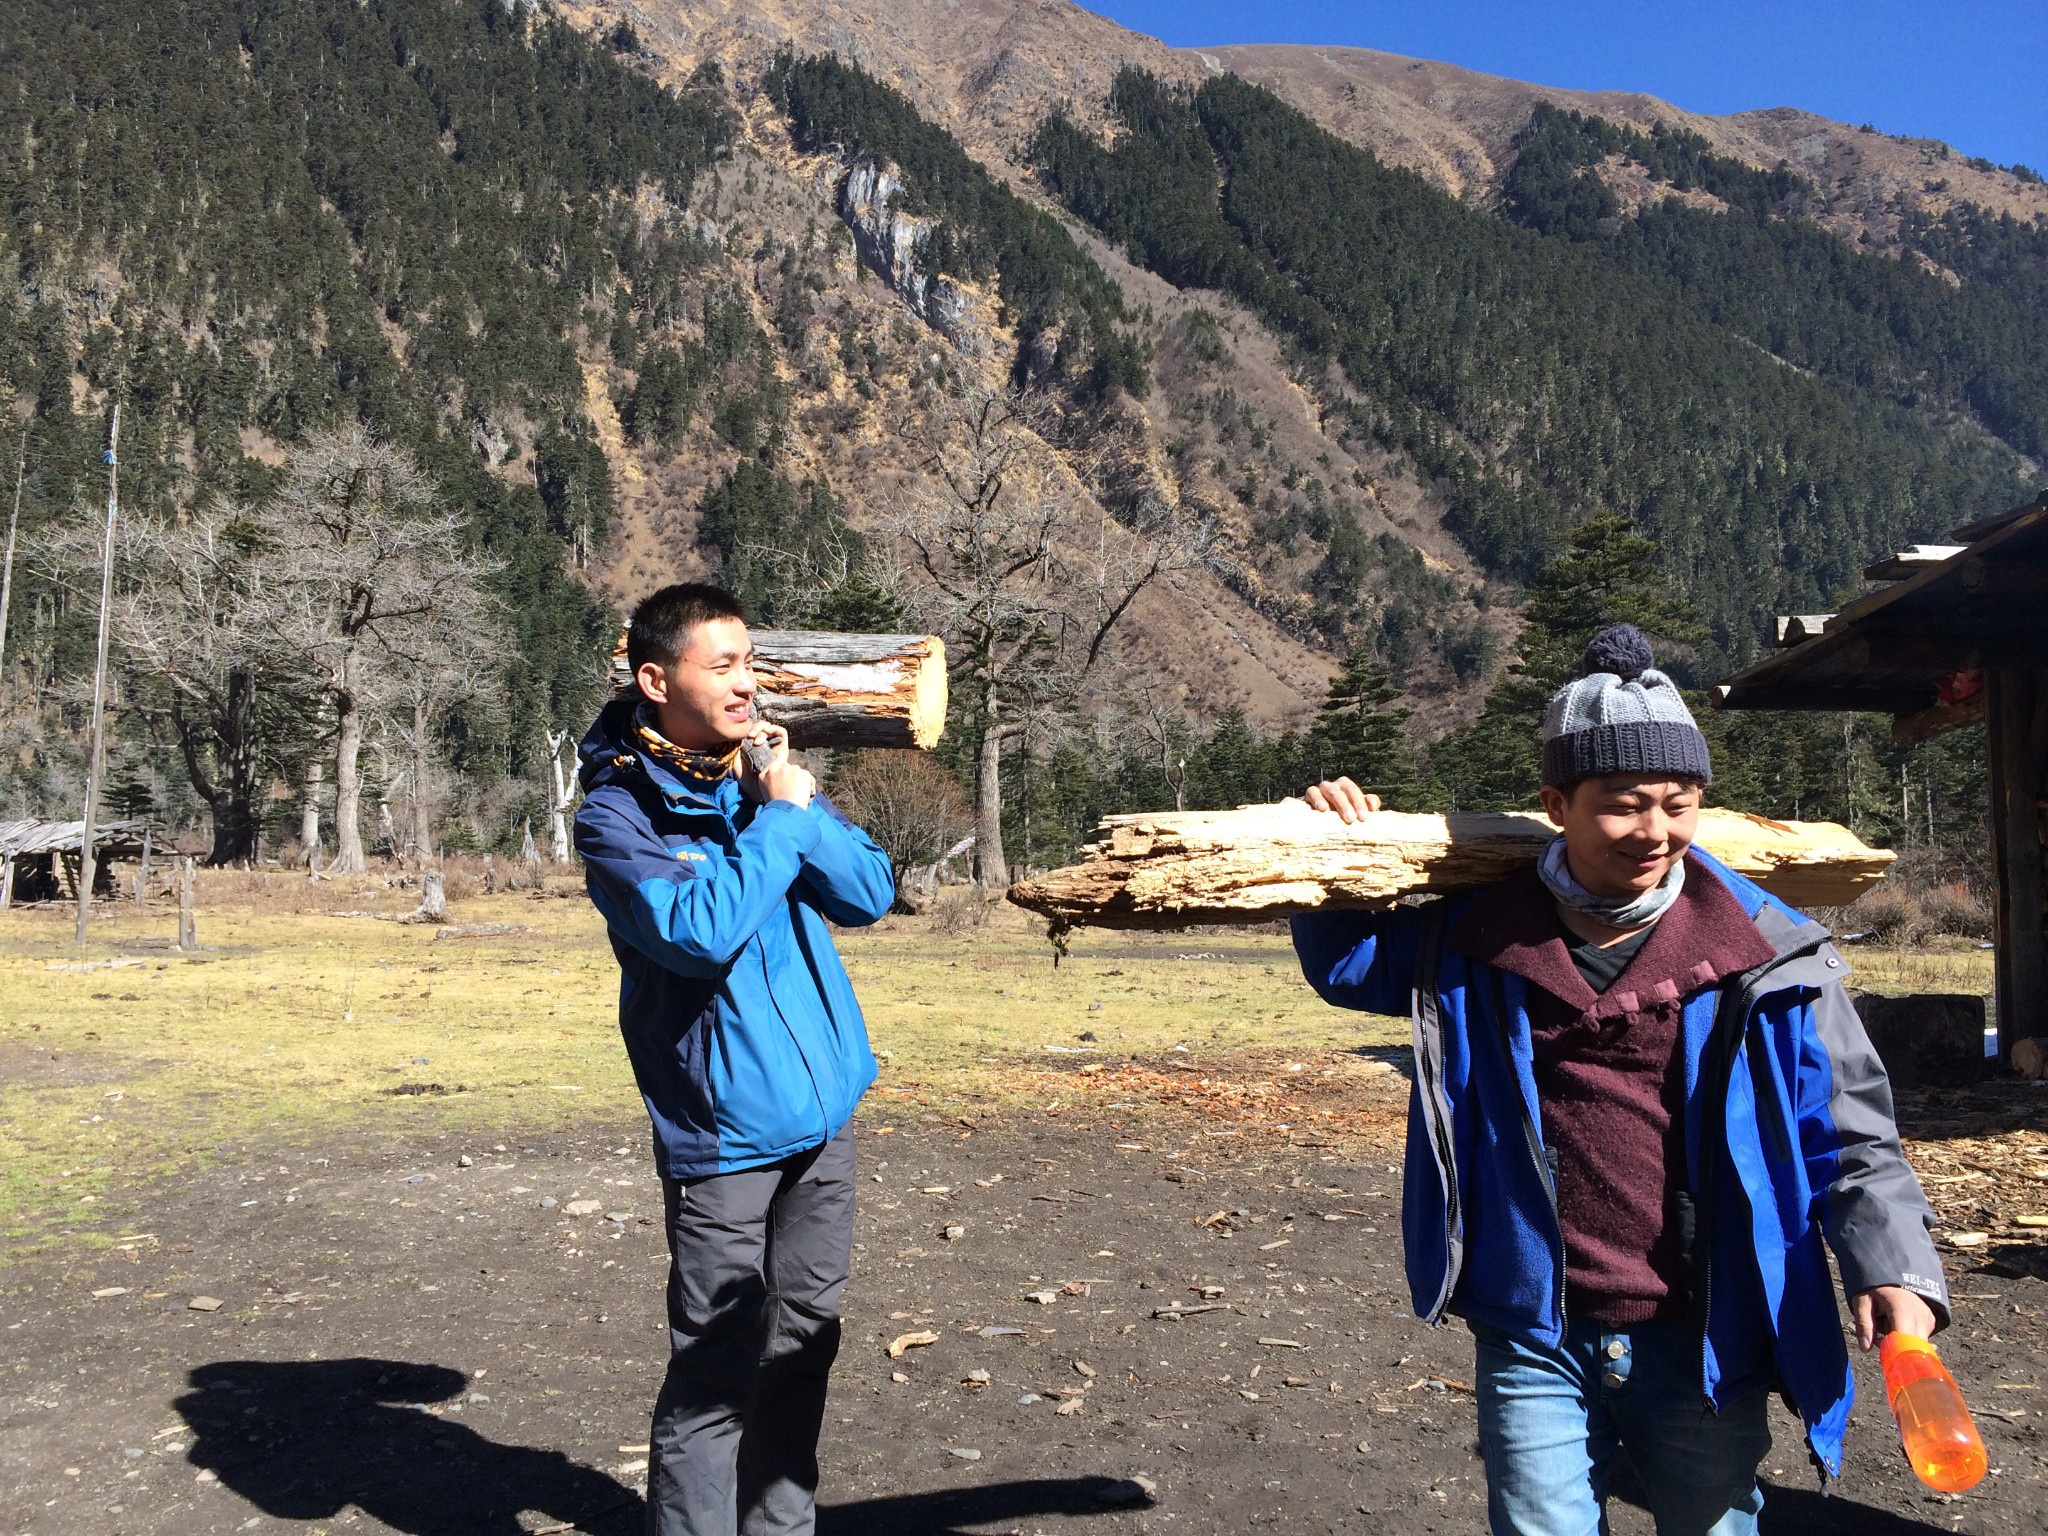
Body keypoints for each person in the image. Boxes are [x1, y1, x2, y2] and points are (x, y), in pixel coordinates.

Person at [1291, 624, 1949, 1536]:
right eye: (1625, 803)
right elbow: (1351, 966)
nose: (1656, 832)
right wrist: (1329, 856)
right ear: (1556, 802)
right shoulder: (1479, 934)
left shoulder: (1769, 952)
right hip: (1533, 1318)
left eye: (1679, 804)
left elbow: (1850, 1129)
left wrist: (1892, 1264)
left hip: (1705, 1321)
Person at [574, 582, 896, 1536]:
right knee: (716, 1375)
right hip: (724, 1140)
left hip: (823, 1118)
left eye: (751, 662)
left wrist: (792, 808)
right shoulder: (617, 816)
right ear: (654, 677)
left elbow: (870, 892)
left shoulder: (764, 786)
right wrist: (781, 823)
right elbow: (698, 933)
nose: (748, 685)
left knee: (802, 1350)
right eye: (722, 666)